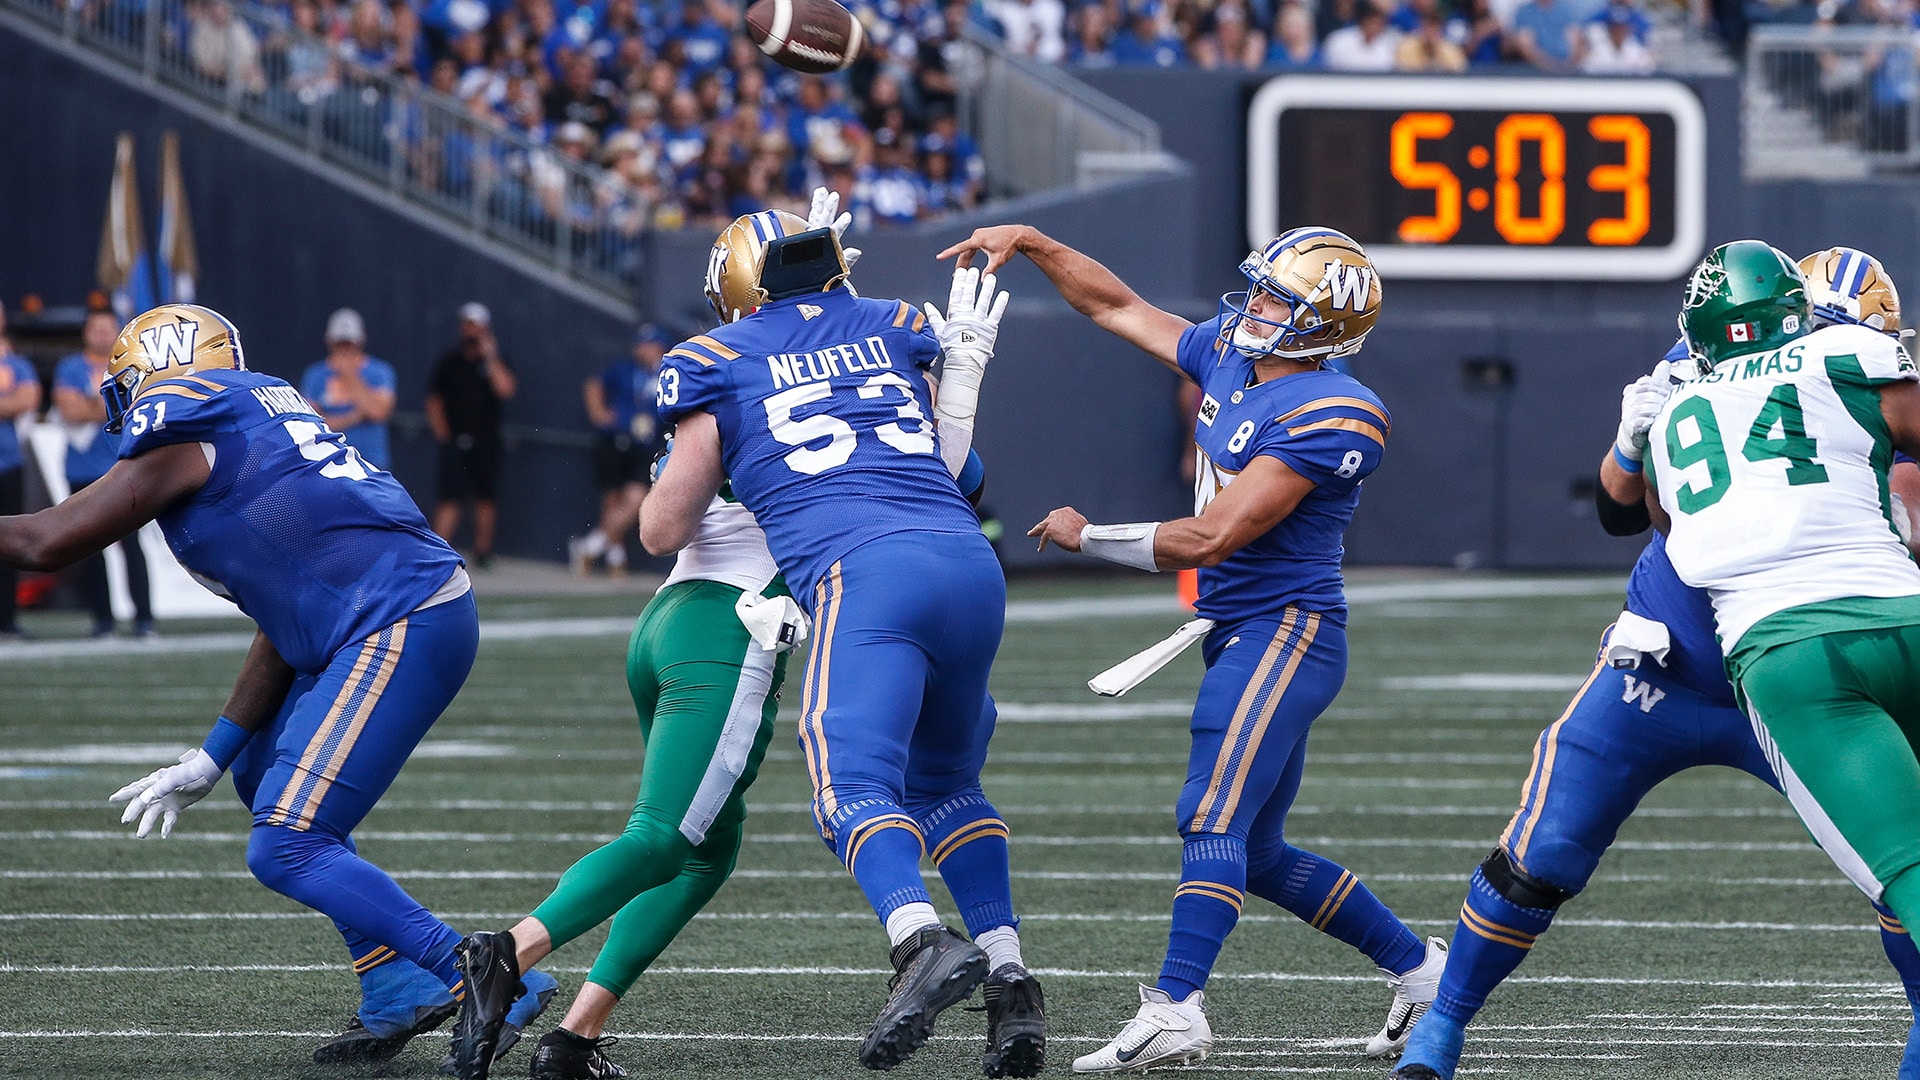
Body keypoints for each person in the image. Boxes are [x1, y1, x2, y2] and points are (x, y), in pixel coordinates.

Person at [449, 195, 1041, 1079]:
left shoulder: (719, 363)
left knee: (705, 851)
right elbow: (957, 474)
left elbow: (659, 528)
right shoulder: (889, 330)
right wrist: (952, 384)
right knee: (695, 830)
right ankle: (506, 955)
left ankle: (573, 1038)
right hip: (757, 618)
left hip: (692, 612)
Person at [1393, 245, 1920, 1080]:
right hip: (1671, 669)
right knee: (1540, 858)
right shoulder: (1718, 369)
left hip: (1787, 671)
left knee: (1899, 872)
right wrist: (1631, 438)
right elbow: (1621, 503)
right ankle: (1440, 1029)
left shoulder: (1821, 375)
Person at [938, 223, 1445, 1071]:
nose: (1255, 307)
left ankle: (1177, 1006)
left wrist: (1089, 533)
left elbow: (1211, 537)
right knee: (1256, 853)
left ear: (1323, 323)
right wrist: (1033, 243)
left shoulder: (1334, 410)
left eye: (1278, 299)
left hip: (1288, 628)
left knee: (1209, 814)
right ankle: (1425, 973)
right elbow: (1117, 305)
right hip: (1239, 628)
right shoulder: (1234, 358)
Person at [0, 303, 555, 1069]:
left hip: (398, 618)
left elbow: (43, 541)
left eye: (129, 382)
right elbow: (284, 612)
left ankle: (485, 971)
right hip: (389, 611)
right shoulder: (245, 424)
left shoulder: (188, 432)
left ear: (161, 372)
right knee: (263, 774)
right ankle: (394, 987)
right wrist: (215, 754)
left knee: (286, 844)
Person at [1642, 240, 1920, 1034]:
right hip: (1905, 615)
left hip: (1793, 653)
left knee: (1907, 871)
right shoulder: (1849, 349)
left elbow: (1664, 522)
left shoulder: (1675, 407)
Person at [54, 308, 154, 638]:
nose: (102, 334)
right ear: (86, 332)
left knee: (132, 546)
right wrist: (109, 405)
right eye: (96, 328)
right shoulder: (70, 367)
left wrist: (93, 404)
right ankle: (103, 619)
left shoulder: (132, 366)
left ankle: (144, 618)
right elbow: (71, 409)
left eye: (108, 328)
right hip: (83, 469)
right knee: (90, 548)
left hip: (126, 466)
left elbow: (141, 407)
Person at [569, 323, 667, 578]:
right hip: (616, 439)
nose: (642, 349)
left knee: (635, 498)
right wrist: (599, 414)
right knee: (612, 497)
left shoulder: (667, 372)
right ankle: (614, 556)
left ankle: (591, 545)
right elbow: (594, 385)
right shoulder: (625, 370)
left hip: (645, 444)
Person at [427, 302, 517, 568]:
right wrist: (443, 433)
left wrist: (490, 358)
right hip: (456, 440)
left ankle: (482, 552)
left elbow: (506, 390)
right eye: (468, 325)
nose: (472, 331)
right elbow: (434, 400)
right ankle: (437, 550)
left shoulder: (494, 361)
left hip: (486, 440)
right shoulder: (450, 362)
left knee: (485, 498)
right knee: (450, 497)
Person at [301, 307, 399, 469]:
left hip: (371, 462)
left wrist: (350, 375)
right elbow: (311, 425)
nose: (345, 351)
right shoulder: (315, 375)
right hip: (328, 462)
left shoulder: (380, 372)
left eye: (349, 345)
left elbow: (378, 412)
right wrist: (355, 417)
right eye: (339, 345)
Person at [0, 299, 41, 639]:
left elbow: (27, 399)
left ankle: (7, 616)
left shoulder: (16, 364)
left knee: (9, 541)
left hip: (7, 462)